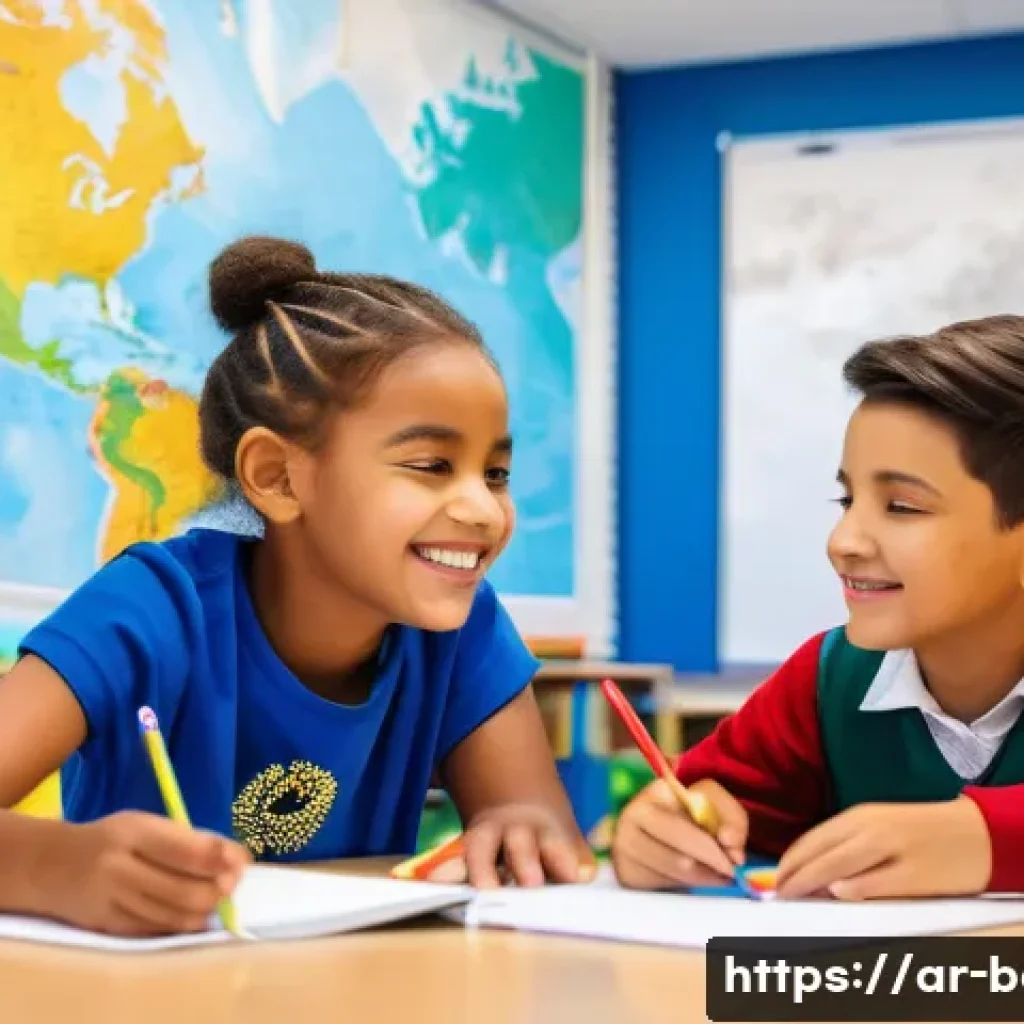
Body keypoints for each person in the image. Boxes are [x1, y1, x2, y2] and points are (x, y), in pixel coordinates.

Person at [0, 236, 591, 937]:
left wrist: (523, 830)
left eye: (495, 474)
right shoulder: (152, 607)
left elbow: (549, 846)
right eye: (432, 464)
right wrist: (56, 868)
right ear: (277, 477)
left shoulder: (461, 631)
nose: (485, 510)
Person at [613, 314, 1024, 900]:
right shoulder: (830, 677)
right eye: (847, 498)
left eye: (903, 507)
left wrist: (986, 839)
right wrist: (659, 833)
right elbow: (715, 805)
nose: (842, 542)